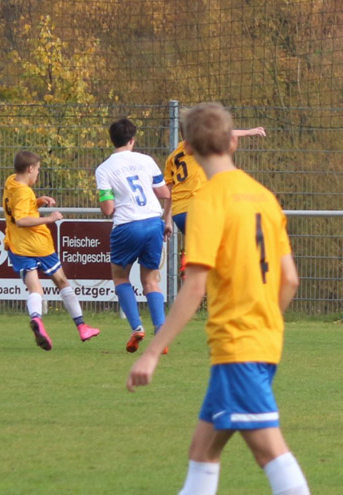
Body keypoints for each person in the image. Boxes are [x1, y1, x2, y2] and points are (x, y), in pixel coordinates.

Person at [126, 102, 308, 495]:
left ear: (187, 149)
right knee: (202, 452)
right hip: (263, 339)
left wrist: (154, 351)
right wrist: (266, 319)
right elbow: (290, 278)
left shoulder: (209, 201)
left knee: (269, 452)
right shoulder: (263, 196)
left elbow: (195, 286)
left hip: (237, 343)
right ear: (233, 142)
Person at [2, 150, 99, 350]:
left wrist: (37, 202)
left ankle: (37, 319)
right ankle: (81, 326)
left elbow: (19, 208)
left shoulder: (11, 182)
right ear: (29, 169)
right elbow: (21, 220)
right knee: (62, 282)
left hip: (19, 247)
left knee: (36, 289)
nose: (38, 173)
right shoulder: (24, 191)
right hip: (38, 244)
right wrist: (49, 218)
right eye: (37, 169)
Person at [95, 118, 172, 353]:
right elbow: (165, 193)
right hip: (152, 222)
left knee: (120, 278)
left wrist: (105, 200)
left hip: (127, 226)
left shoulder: (104, 168)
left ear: (112, 140)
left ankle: (137, 327)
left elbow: (108, 209)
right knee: (151, 280)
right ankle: (161, 330)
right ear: (132, 140)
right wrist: (166, 221)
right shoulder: (146, 160)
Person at [165, 123, 266, 235]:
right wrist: (248, 132)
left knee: (200, 248)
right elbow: (223, 135)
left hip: (179, 214)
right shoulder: (199, 146)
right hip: (198, 210)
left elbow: (168, 193)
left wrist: (167, 221)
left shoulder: (172, 157)